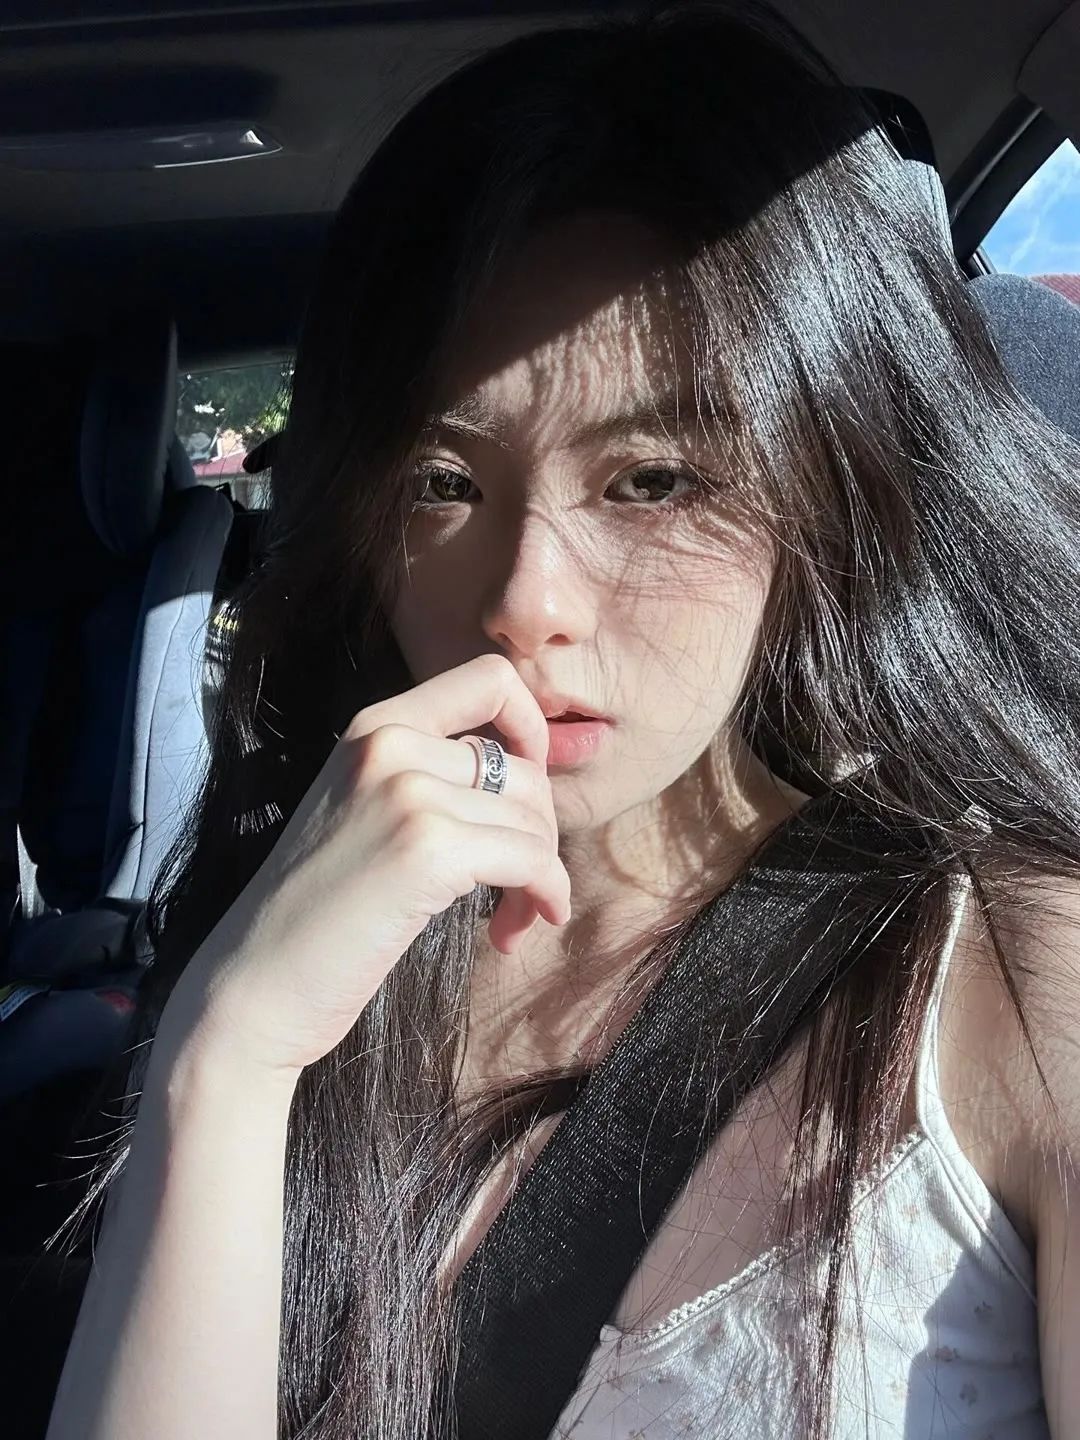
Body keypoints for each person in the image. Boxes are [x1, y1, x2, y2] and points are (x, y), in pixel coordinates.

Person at [43, 3, 1080, 1437]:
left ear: (828, 492)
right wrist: (223, 1059)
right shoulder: (304, 923)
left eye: (653, 480)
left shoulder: (1024, 970)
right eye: (442, 483)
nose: (524, 601)